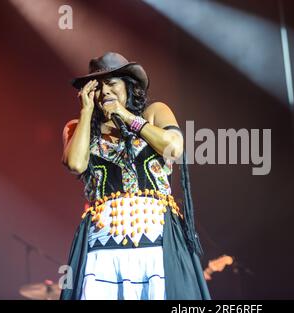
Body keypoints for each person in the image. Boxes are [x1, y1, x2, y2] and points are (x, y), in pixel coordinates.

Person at [60, 52, 210, 300]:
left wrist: (128, 118)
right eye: (97, 87)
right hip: (103, 246)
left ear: (129, 86)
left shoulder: (155, 113)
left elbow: (175, 147)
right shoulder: (77, 127)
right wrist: (86, 112)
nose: (104, 91)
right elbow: (75, 164)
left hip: (156, 240)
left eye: (111, 83)